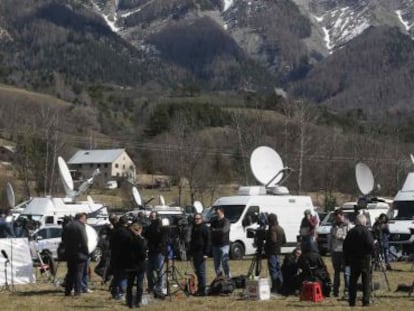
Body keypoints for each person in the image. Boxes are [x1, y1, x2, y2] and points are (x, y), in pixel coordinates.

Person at [343, 213, 374, 307]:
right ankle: (366, 301)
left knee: (353, 281)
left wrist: (347, 260)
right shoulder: (367, 232)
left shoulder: (351, 232)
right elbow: (370, 244)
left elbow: (345, 247)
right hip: (365, 259)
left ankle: (352, 301)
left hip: (353, 259)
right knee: (366, 281)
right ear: (364, 222)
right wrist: (369, 253)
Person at [61, 212, 89, 296]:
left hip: (69, 252)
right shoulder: (80, 226)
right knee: (79, 273)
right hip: (80, 252)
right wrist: (86, 251)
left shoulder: (68, 226)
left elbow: (63, 238)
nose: (85, 221)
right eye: (85, 219)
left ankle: (67, 291)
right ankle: (77, 291)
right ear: (81, 218)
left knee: (70, 272)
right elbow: (84, 240)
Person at [145, 211, 168, 298]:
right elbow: (146, 236)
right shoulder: (149, 226)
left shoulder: (160, 226)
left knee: (160, 271)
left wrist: (160, 247)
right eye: (150, 217)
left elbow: (163, 238)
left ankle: (159, 289)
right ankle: (151, 288)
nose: (151, 218)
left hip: (159, 252)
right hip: (151, 252)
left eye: (153, 217)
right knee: (149, 272)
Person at [329, 208, 350, 298]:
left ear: (342, 216)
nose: (338, 219)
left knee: (346, 272)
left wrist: (342, 237)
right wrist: (330, 249)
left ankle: (347, 290)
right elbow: (330, 238)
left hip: (345, 251)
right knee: (336, 272)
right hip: (335, 251)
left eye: (339, 217)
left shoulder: (348, 225)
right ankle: (335, 291)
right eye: (336, 218)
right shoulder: (333, 226)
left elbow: (350, 238)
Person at [125, 222, 147, 308]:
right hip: (139, 265)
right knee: (139, 284)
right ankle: (138, 301)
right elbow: (142, 254)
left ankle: (129, 301)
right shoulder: (140, 240)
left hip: (130, 264)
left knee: (129, 284)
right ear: (140, 230)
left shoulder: (128, 239)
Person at [189, 213, 210, 296]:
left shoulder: (204, 228)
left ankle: (203, 290)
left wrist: (206, 253)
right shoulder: (194, 228)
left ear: (201, 219)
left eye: (198, 218)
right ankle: (199, 288)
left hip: (201, 253)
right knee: (197, 271)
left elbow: (208, 241)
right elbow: (192, 241)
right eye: (195, 219)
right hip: (195, 252)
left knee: (201, 272)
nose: (196, 220)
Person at [264, 213, 286, 294]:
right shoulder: (281, 228)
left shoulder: (272, 229)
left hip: (272, 252)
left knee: (273, 270)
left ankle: (275, 287)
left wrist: (267, 244)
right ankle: (281, 286)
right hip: (278, 251)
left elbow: (273, 240)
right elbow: (284, 241)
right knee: (278, 269)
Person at [109, 215, 130, 299]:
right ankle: (121, 293)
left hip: (114, 256)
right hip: (123, 256)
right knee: (123, 276)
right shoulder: (125, 233)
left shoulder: (114, 231)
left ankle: (114, 292)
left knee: (116, 275)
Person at [210, 206, 231, 279]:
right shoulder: (214, 221)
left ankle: (228, 278)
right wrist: (216, 231)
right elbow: (211, 231)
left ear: (222, 212)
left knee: (224, 262)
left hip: (224, 245)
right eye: (216, 212)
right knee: (217, 265)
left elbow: (224, 231)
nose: (216, 214)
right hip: (215, 245)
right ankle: (220, 279)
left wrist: (215, 230)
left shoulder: (226, 221)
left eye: (217, 212)